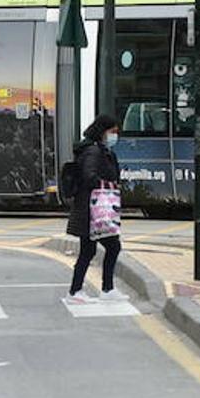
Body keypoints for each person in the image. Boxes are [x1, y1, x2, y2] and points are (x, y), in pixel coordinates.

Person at [65, 115, 126, 303]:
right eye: (112, 132)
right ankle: (97, 290)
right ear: (103, 132)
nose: (114, 136)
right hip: (92, 211)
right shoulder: (93, 151)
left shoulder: (102, 150)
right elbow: (89, 176)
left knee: (90, 250)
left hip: (96, 211)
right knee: (110, 247)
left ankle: (80, 291)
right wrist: (108, 185)